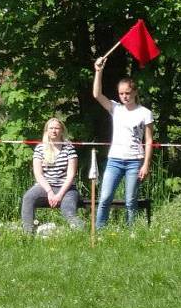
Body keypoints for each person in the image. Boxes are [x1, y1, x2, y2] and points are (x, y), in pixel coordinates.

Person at [92, 56, 154, 228]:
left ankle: (131, 234)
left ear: (134, 92)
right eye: (121, 93)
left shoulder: (145, 113)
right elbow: (97, 94)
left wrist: (145, 164)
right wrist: (99, 71)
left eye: (127, 93)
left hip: (135, 161)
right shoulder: (115, 109)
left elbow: (149, 140)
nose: (124, 96)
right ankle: (100, 231)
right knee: (105, 197)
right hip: (114, 161)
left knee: (130, 200)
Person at [20, 117, 85, 234]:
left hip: (67, 189)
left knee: (68, 209)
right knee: (28, 198)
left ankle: (81, 234)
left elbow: (71, 175)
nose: (54, 131)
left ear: (62, 131)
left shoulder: (69, 148)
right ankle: (27, 234)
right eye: (51, 128)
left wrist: (59, 195)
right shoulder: (40, 148)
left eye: (57, 128)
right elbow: (38, 174)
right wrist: (50, 191)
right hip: (44, 187)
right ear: (47, 131)